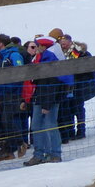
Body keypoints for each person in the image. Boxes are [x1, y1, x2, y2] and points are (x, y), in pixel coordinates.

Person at [24, 36, 70, 165]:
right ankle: (39, 154)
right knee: (36, 126)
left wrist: (47, 104)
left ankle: (55, 154)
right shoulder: (38, 60)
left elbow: (51, 84)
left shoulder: (49, 62)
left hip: (48, 100)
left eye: (36, 46)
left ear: (43, 47)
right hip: (40, 97)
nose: (34, 49)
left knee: (50, 125)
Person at [0, 34, 26, 162]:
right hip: (3, 94)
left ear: (1, 43)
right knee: (4, 121)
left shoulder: (14, 55)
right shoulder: (2, 56)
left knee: (8, 119)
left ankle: (20, 143)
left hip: (13, 93)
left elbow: (19, 73)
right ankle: (12, 148)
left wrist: (11, 89)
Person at [60, 33, 95, 140]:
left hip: (80, 84)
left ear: (70, 42)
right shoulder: (62, 54)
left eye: (64, 44)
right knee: (70, 108)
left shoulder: (80, 52)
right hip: (68, 86)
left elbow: (88, 67)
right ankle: (71, 131)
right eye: (61, 44)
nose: (63, 46)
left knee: (78, 108)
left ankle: (81, 130)